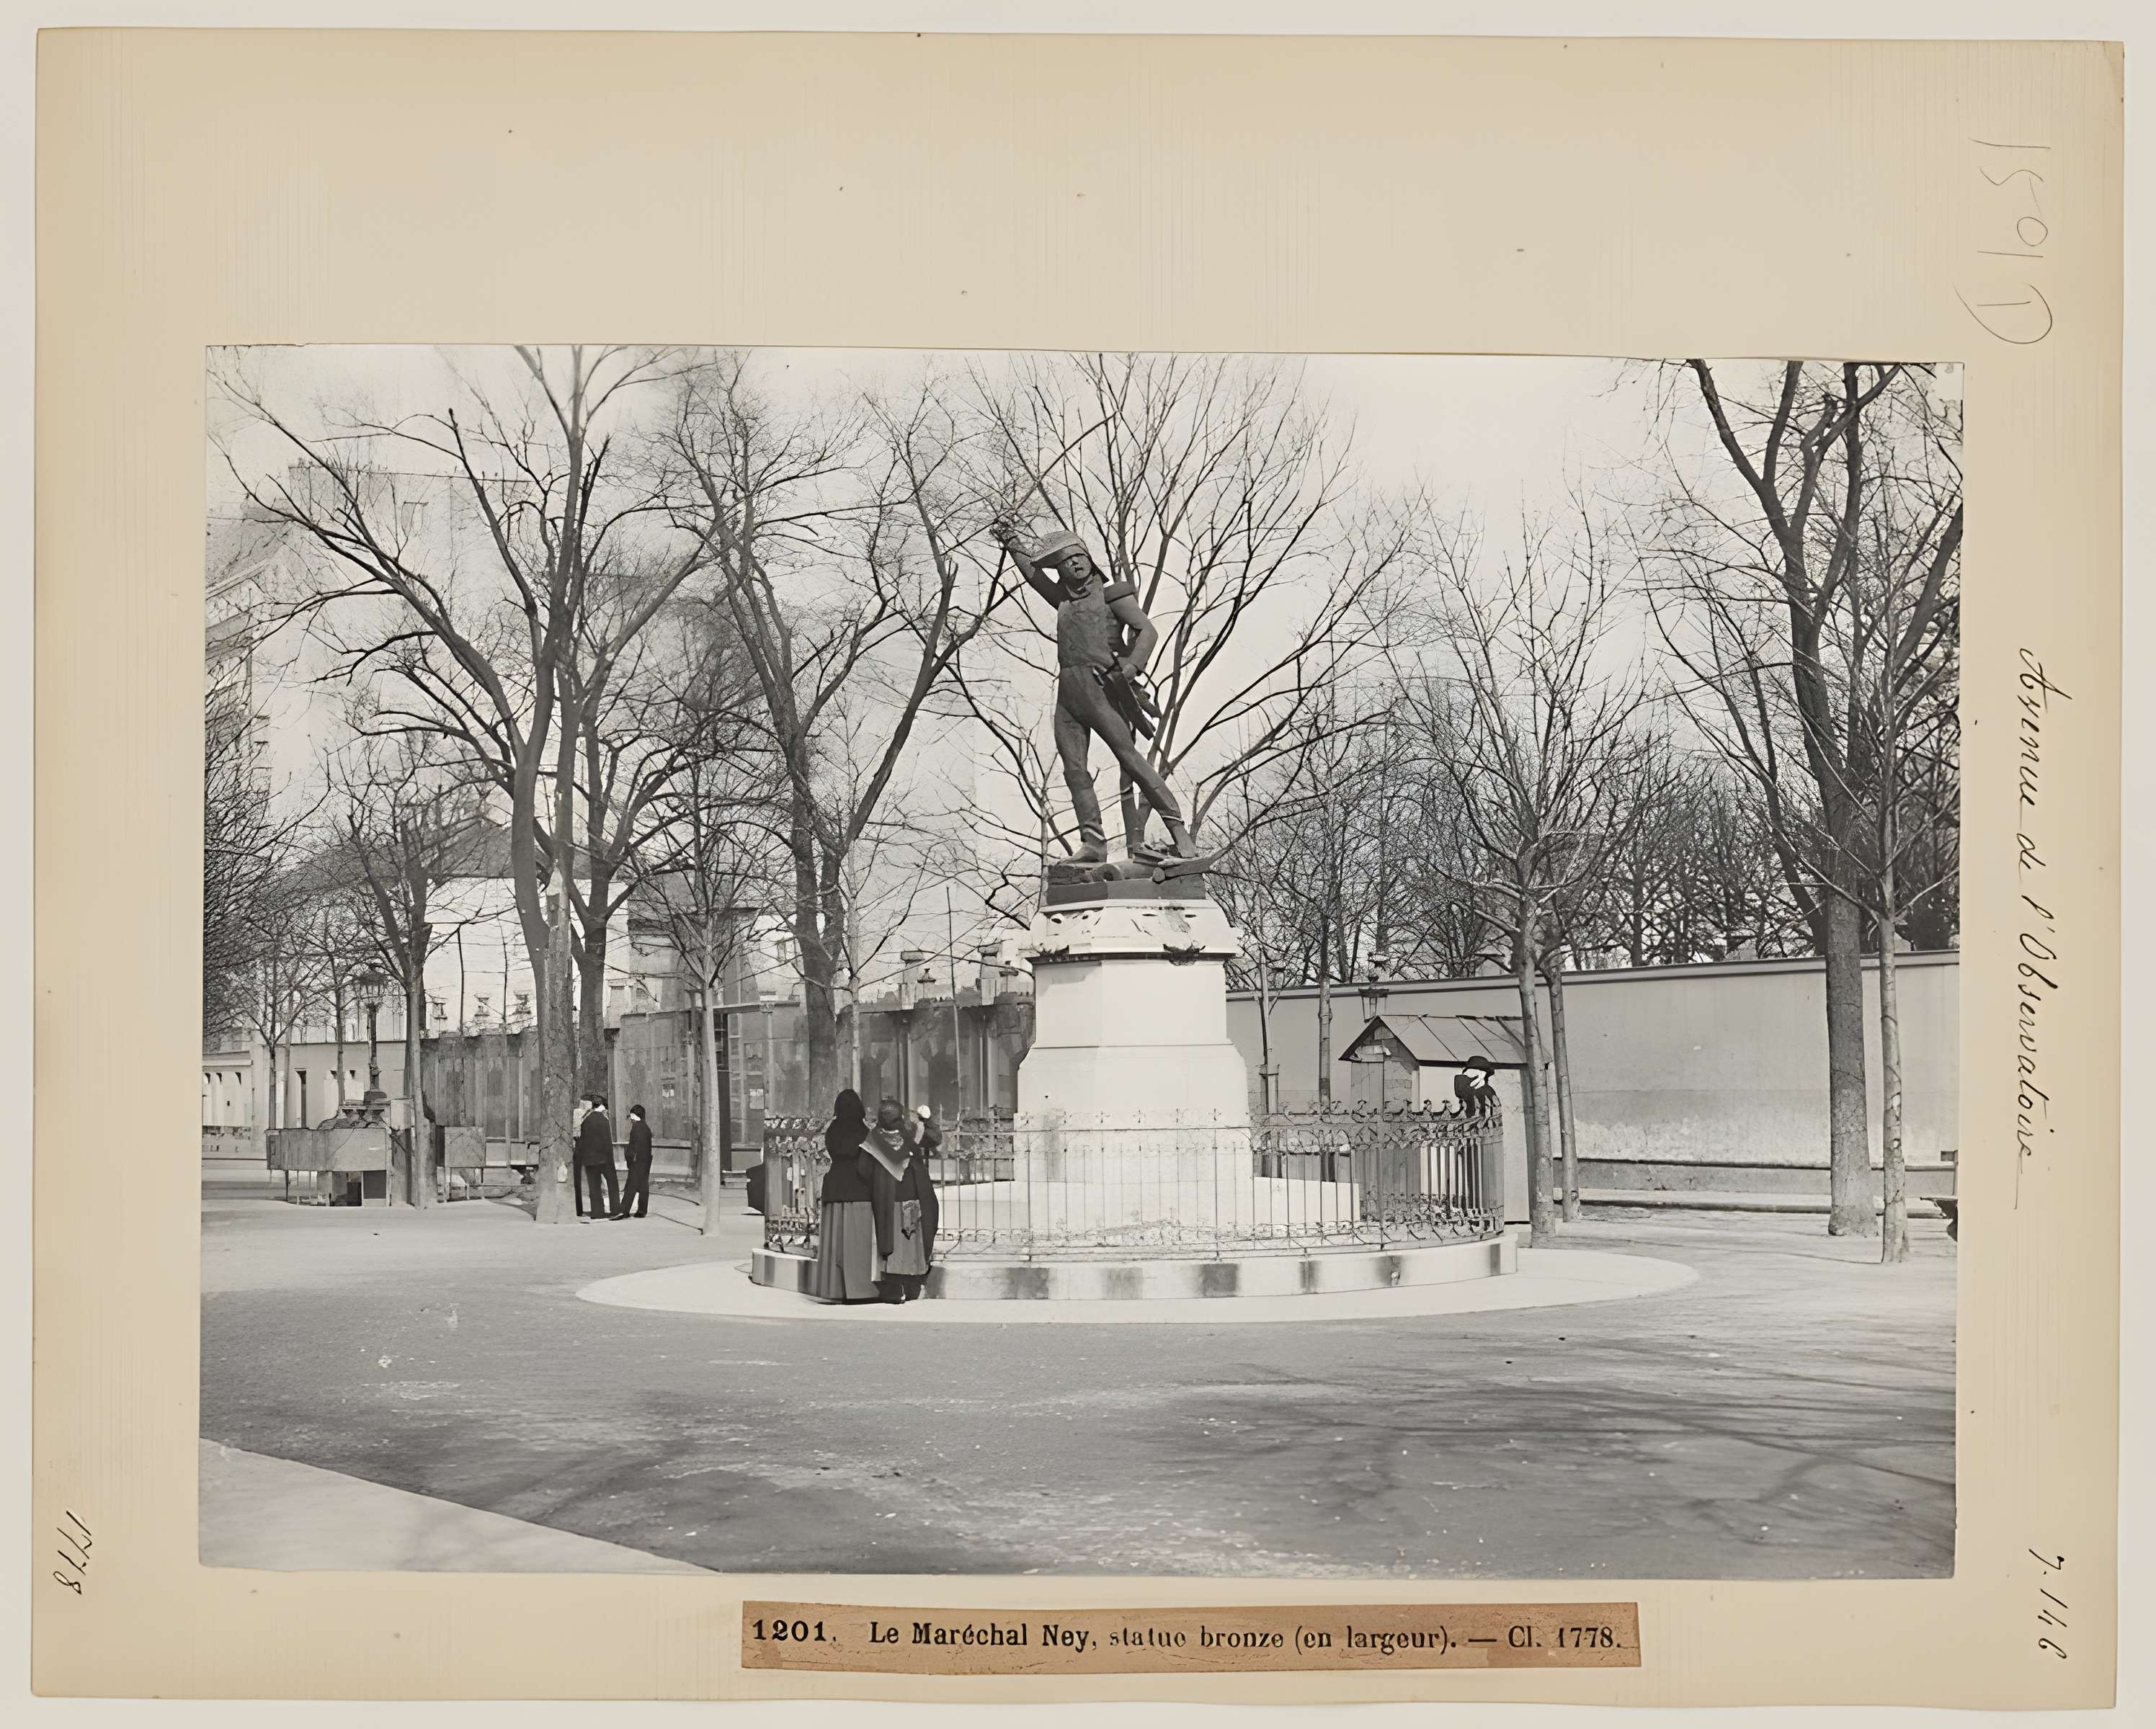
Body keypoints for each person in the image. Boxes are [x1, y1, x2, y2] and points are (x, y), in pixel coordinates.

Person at [990, 520, 1195, 865]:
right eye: (1065, 563)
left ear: (1088, 557)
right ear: (1061, 573)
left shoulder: (1113, 596)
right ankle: (1093, 843)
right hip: (1068, 695)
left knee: (1130, 757)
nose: (1074, 564)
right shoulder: (1062, 600)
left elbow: (1147, 631)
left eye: (1078, 556)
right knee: (1074, 769)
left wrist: (1130, 669)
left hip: (1102, 690)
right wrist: (1012, 540)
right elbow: (1032, 575)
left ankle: (1179, 833)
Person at [863, 1097, 940, 1303]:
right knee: (912, 1241)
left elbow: (863, 1170)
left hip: (886, 1199)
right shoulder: (911, 1133)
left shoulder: (873, 1139)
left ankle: (894, 1288)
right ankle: (913, 1285)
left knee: (890, 1241)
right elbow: (935, 1138)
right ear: (901, 1117)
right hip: (914, 1197)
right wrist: (927, 1119)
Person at [807, 1090, 881, 1303]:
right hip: (858, 1191)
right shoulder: (864, 1132)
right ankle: (859, 1290)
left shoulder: (832, 1131)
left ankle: (836, 1288)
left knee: (835, 1244)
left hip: (834, 1188)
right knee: (856, 1244)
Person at [574, 1092, 618, 1222]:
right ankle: (616, 1210)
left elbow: (582, 1141)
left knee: (594, 1185)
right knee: (612, 1183)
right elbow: (607, 1141)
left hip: (589, 1159)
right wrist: (611, 1160)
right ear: (603, 1106)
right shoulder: (604, 1121)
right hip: (604, 1158)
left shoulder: (586, 1121)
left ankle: (597, 1211)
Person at [612, 1104, 654, 1219]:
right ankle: (642, 1211)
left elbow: (632, 1148)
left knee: (631, 1186)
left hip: (636, 1162)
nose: (630, 1119)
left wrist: (628, 1157)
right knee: (643, 1185)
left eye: (631, 1116)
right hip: (646, 1161)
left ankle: (623, 1211)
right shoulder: (646, 1128)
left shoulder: (636, 1129)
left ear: (634, 1116)